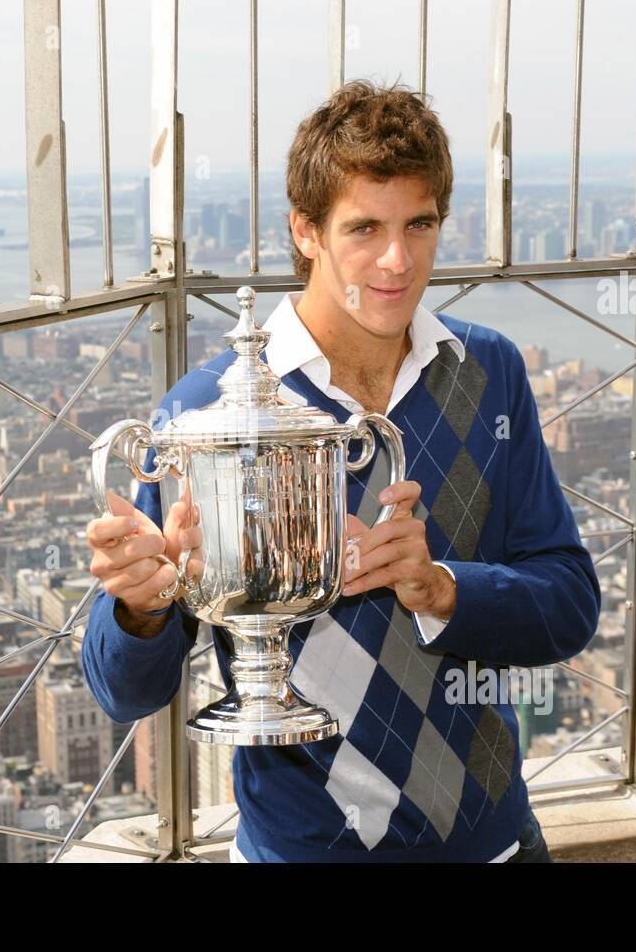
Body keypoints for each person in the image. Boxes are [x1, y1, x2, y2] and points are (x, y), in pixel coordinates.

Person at [81, 79, 600, 862]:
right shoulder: (208, 412)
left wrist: (443, 589)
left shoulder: (488, 372)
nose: (398, 260)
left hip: (497, 845)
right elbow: (126, 692)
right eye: (364, 228)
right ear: (307, 231)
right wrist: (140, 607)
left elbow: (569, 604)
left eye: (419, 224)